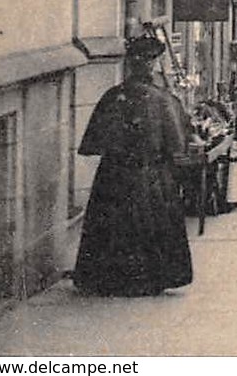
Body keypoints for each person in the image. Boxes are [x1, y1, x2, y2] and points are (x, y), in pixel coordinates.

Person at [73, 35, 194, 296]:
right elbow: (177, 145)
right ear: (151, 66)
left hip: (113, 178)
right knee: (149, 225)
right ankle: (148, 280)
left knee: (113, 226)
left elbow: (91, 144)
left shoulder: (112, 97)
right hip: (150, 178)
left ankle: (108, 279)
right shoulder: (163, 100)